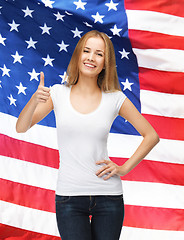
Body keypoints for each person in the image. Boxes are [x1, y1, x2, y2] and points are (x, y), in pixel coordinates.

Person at [16, 30, 159, 240]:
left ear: (105, 63)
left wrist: (124, 168)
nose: (91, 58)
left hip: (109, 198)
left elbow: (151, 136)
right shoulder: (57, 93)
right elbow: (21, 127)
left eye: (99, 54)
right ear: (78, 55)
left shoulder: (115, 98)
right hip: (69, 198)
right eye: (86, 51)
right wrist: (34, 100)